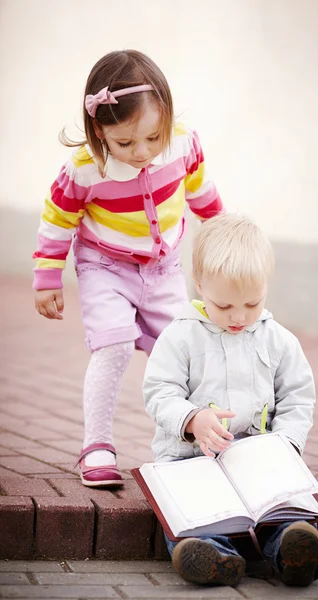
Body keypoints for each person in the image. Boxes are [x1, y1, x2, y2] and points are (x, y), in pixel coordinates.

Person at [32, 49, 224, 487]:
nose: (142, 152)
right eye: (125, 142)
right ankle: (96, 445)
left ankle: (187, 445)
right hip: (104, 267)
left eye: (152, 138)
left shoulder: (183, 142)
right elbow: (58, 219)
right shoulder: (85, 168)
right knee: (115, 347)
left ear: (168, 119)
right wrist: (47, 278)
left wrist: (221, 238)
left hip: (164, 269)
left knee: (181, 352)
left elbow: (202, 194)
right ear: (99, 130)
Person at [143, 213, 318, 587]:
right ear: (199, 284)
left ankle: (293, 551)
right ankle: (212, 555)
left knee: (284, 511)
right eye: (224, 306)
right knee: (190, 514)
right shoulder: (180, 337)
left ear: (265, 288)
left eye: (252, 303)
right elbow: (160, 392)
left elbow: (297, 398)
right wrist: (192, 420)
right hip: (192, 462)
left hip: (258, 463)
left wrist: (286, 445)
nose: (239, 316)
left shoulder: (279, 341)